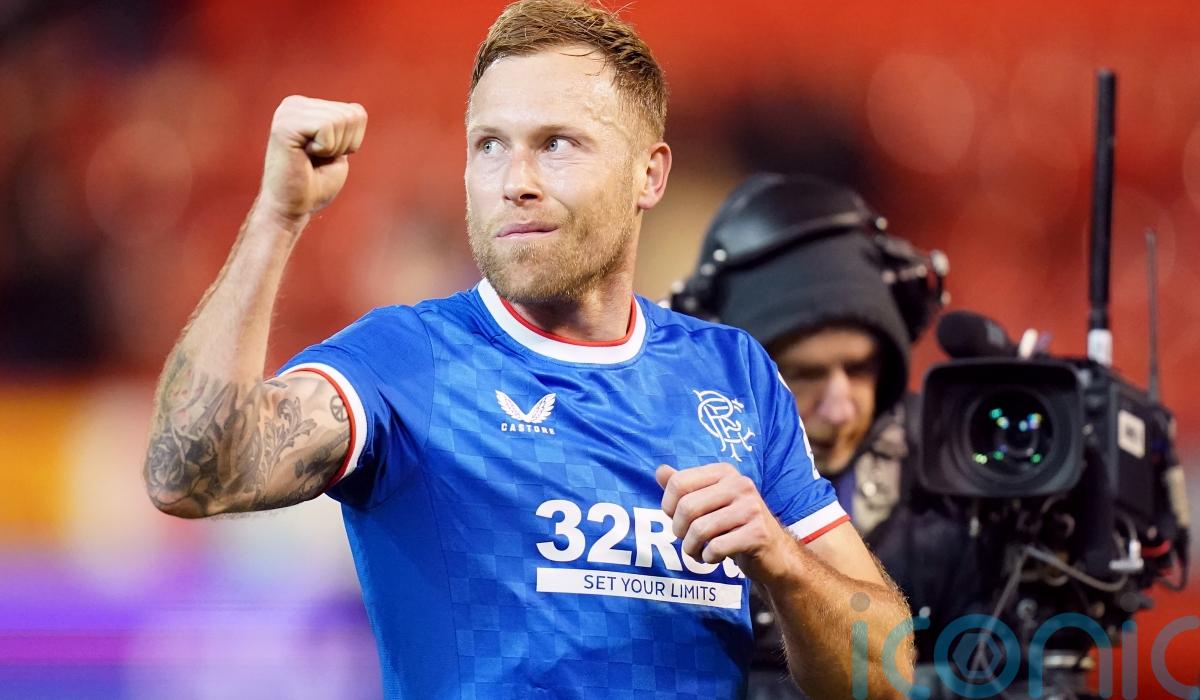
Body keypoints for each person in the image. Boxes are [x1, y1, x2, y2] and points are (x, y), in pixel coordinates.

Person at [142, 2, 913, 697]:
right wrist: (276, 217)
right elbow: (190, 475)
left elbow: (886, 675)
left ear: (649, 175)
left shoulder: (734, 373)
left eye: (556, 144)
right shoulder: (409, 362)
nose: (515, 180)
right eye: (489, 145)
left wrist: (781, 559)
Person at [672, 173, 982, 698]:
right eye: (804, 375)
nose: (839, 408)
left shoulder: (957, 486)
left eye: (859, 368)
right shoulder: (667, 470)